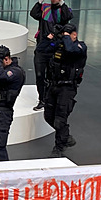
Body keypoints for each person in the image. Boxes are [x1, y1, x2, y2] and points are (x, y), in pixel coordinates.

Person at [43, 24, 87, 157]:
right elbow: (41, 49)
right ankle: (66, 136)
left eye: (70, 35)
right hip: (54, 85)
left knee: (60, 119)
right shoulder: (60, 45)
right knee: (48, 116)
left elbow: (70, 50)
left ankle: (59, 147)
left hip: (68, 88)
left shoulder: (80, 47)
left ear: (75, 35)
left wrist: (67, 37)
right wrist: (51, 39)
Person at [29, 0, 73, 111]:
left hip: (56, 48)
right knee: (40, 75)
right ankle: (42, 99)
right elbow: (33, 14)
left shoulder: (65, 10)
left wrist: (61, 3)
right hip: (42, 47)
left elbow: (67, 17)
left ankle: (51, 99)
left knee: (53, 75)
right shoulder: (45, 8)